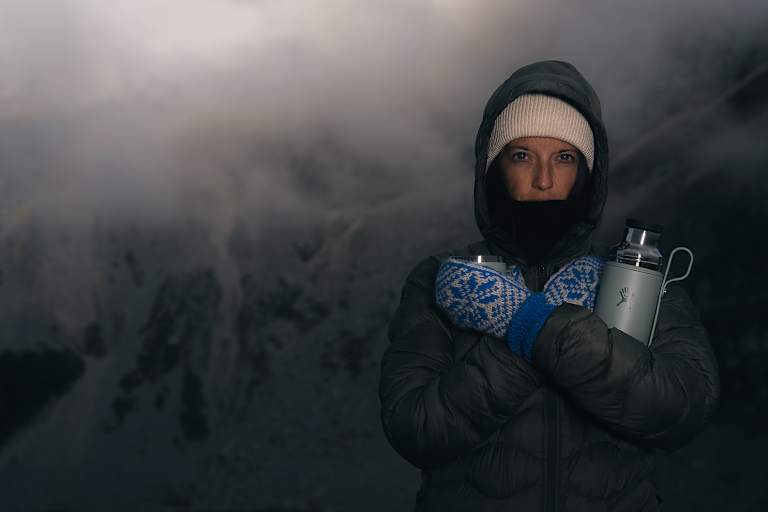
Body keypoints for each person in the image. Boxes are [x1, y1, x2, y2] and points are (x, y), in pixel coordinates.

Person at [378, 60, 720, 511]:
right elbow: (415, 428)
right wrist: (537, 335)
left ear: (588, 173)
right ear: (492, 168)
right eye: (522, 156)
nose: (543, 179)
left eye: (564, 157)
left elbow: (682, 409)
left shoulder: (633, 277)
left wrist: (530, 323)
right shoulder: (443, 278)